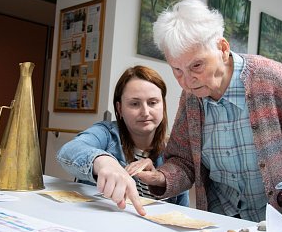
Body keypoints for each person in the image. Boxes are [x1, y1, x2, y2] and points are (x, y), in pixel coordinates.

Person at [133, 0, 282, 226]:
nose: (186, 81)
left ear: (222, 49)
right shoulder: (191, 98)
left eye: (196, 66)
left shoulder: (272, 79)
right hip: (224, 224)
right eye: (177, 69)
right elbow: (183, 161)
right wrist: (161, 177)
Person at [56, 65, 189, 215]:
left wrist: (159, 178)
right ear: (119, 109)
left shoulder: (174, 153)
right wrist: (104, 162)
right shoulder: (106, 133)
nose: (145, 112)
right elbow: (68, 150)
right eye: (134, 104)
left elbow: (182, 213)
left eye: (153, 102)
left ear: (163, 105)